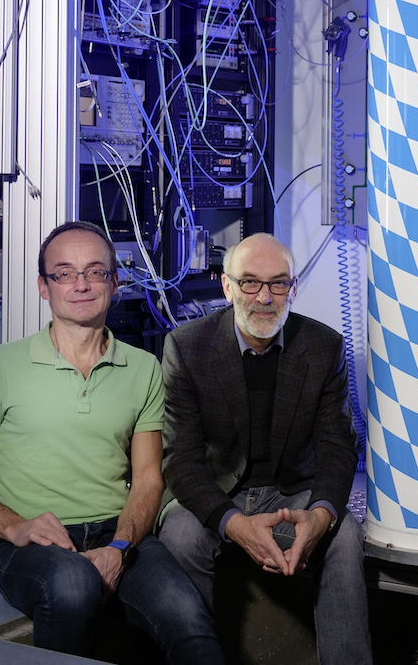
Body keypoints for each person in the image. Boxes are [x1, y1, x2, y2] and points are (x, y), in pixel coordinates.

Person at [0, 221, 223, 662]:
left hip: (118, 531)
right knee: (73, 587)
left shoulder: (144, 368)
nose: (81, 284)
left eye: (95, 272)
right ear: (43, 287)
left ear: (115, 282)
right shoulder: (2, 365)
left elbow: (148, 481)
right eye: (64, 273)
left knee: (190, 621)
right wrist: (16, 526)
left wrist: (120, 548)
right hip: (32, 541)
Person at [158, 232, 372, 665]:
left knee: (344, 536)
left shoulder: (323, 346)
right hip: (218, 489)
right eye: (250, 282)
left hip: (291, 490)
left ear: (293, 288)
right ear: (227, 286)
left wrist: (322, 513)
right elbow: (181, 460)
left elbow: (337, 445)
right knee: (180, 536)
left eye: (278, 284)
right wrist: (233, 523)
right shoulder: (187, 346)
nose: (264, 297)